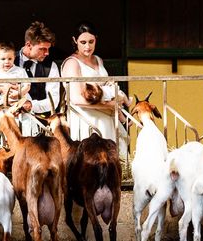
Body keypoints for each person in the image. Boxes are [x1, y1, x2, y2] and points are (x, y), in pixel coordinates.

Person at [61, 21, 130, 157]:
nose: (88, 46)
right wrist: (108, 105)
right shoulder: (72, 63)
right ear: (75, 41)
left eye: (91, 41)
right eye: (83, 42)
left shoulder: (98, 60)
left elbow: (105, 84)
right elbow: (76, 99)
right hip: (88, 117)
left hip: (107, 115)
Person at [15, 21, 61, 134]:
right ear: (29, 45)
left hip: (40, 128)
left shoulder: (51, 66)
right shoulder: (7, 60)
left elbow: (54, 100)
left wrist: (31, 105)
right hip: (13, 125)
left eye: (48, 49)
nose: (47, 53)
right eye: (42, 49)